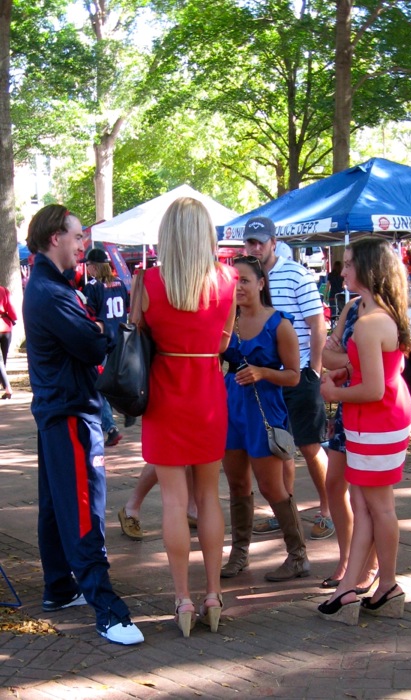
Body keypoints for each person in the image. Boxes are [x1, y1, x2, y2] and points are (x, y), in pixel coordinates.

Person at [22, 204, 144, 645]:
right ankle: (108, 610)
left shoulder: (49, 285)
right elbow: (94, 346)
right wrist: (109, 327)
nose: (82, 245)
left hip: (61, 408)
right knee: (81, 509)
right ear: (56, 237)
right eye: (77, 236)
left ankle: (60, 587)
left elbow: (89, 339)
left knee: (57, 506)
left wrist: (98, 328)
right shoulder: (51, 292)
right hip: (70, 412)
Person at [141, 196, 236, 636]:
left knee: (175, 502)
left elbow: (139, 339)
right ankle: (214, 594)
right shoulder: (228, 280)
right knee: (209, 498)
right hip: (208, 393)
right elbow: (221, 345)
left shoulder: (147, 282)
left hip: (164, 394)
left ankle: (181, 599)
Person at [317, 238, 411, 625]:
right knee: (364, 504)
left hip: (377, 420)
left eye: (350, 264)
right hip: (370, 420)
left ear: (370, 268)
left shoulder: (372, 321)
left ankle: (386, 583)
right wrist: (344, 374)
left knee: (379, 506)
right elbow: (385, 374)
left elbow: (375, 388)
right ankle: (354, 587)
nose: (343, 270)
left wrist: (334, 390)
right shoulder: (373, 312)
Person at [221, 255, 309, 581]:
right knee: (237, 484)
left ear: (261, 283)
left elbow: (295, 376)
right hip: (231, 408)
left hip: (265, 410)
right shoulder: (227, 321)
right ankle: (239, 555)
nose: (238, 287)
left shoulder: (279, 324)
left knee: (272, 487)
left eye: (245, 280)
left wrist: (262, 372)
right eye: (233, 281)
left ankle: (298, 555)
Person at [243, 217, 333, 540]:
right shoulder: (250, 278)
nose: (254, 248)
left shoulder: (295, 274)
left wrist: (315, 371)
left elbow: (317, 323)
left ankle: (328, 510)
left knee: (310, 446)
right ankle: (286, 512)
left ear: (272, 241)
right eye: (249, 242)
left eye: (259, 242)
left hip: (299, 374)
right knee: (280, 449)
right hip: (268, 378)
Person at [321, 296, 379, 593]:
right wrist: (349, 360)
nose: (343, 270)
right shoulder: (352, 306)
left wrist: (344, 360)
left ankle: (369, 564)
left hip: (371, 408)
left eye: (350, 264)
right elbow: (326, 356)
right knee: (334, 483)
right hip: (345, 405)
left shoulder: (385, 310)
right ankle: (347, 559)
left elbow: (376, 371)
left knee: (367, 495)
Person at [82, 248, 129, 447]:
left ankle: (110, 427)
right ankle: (127, 408)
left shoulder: (92, 287)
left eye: (88, 265)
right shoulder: (119, 283)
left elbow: (89, 316)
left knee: (98, 386)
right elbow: (126, 307)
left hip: (102, 341)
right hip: (120, 340)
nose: (87, 268)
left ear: (94, 265)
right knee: (115, 383)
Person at [0, 284, 17, 399]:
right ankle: (5, 386)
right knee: (3, 360)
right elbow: (11, 308)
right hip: (6, 328)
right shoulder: (3, 290)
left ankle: (7, 388)